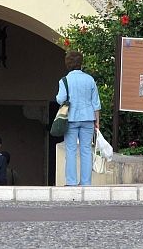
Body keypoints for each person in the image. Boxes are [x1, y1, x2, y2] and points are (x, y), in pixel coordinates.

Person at [56, 51, 101, 186]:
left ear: (68, 64)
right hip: (88, 118)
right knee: (86, 150)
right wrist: (97, 121)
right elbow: (96, 103)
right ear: (81, 63)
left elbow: (61, 99)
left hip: (71, 118)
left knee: (71, 149)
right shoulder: (90, 79)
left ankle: (71, 182)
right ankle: (86, 182)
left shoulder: (64, 81)